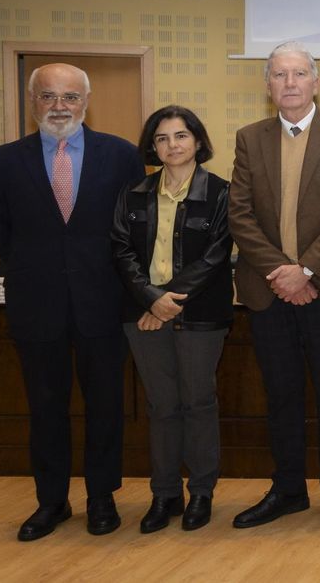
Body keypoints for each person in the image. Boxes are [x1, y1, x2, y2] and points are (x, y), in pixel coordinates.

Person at [0, 63, 145, 541]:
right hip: (36, 302)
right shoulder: (4, 160)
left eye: (69, 97)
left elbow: (136, 224)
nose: (59, 106)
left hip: (105, 302)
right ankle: (51, 502)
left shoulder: (121, 156)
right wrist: (37, 263)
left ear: (86, 102)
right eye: (48, 96)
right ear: (33, 103)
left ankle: (101, 498)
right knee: (45, 406)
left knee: (106, 406)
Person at [228, 41, 320, 532]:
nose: (289, 83)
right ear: (267, 85)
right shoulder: (249, 138)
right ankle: (288, 490)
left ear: (315, 81)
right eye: (279, 75)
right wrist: (283, 274)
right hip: (269, 291)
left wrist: (305, 270)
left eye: (298, 74)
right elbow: (240, 215)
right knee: (281, 394)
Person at [109, 106, 234, 534]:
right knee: (161, 405)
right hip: (143, 315)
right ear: (153, 146)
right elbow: (121, 251)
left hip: (199, 314)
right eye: (162, 138)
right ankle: (164, 494)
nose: (172, 145)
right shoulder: (135, 192)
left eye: (181, 136)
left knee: (198, 401)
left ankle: (201, 491)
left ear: (198, 141)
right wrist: (150, 300)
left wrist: (165, 301)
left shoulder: (221, 193)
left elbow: (216, 255)